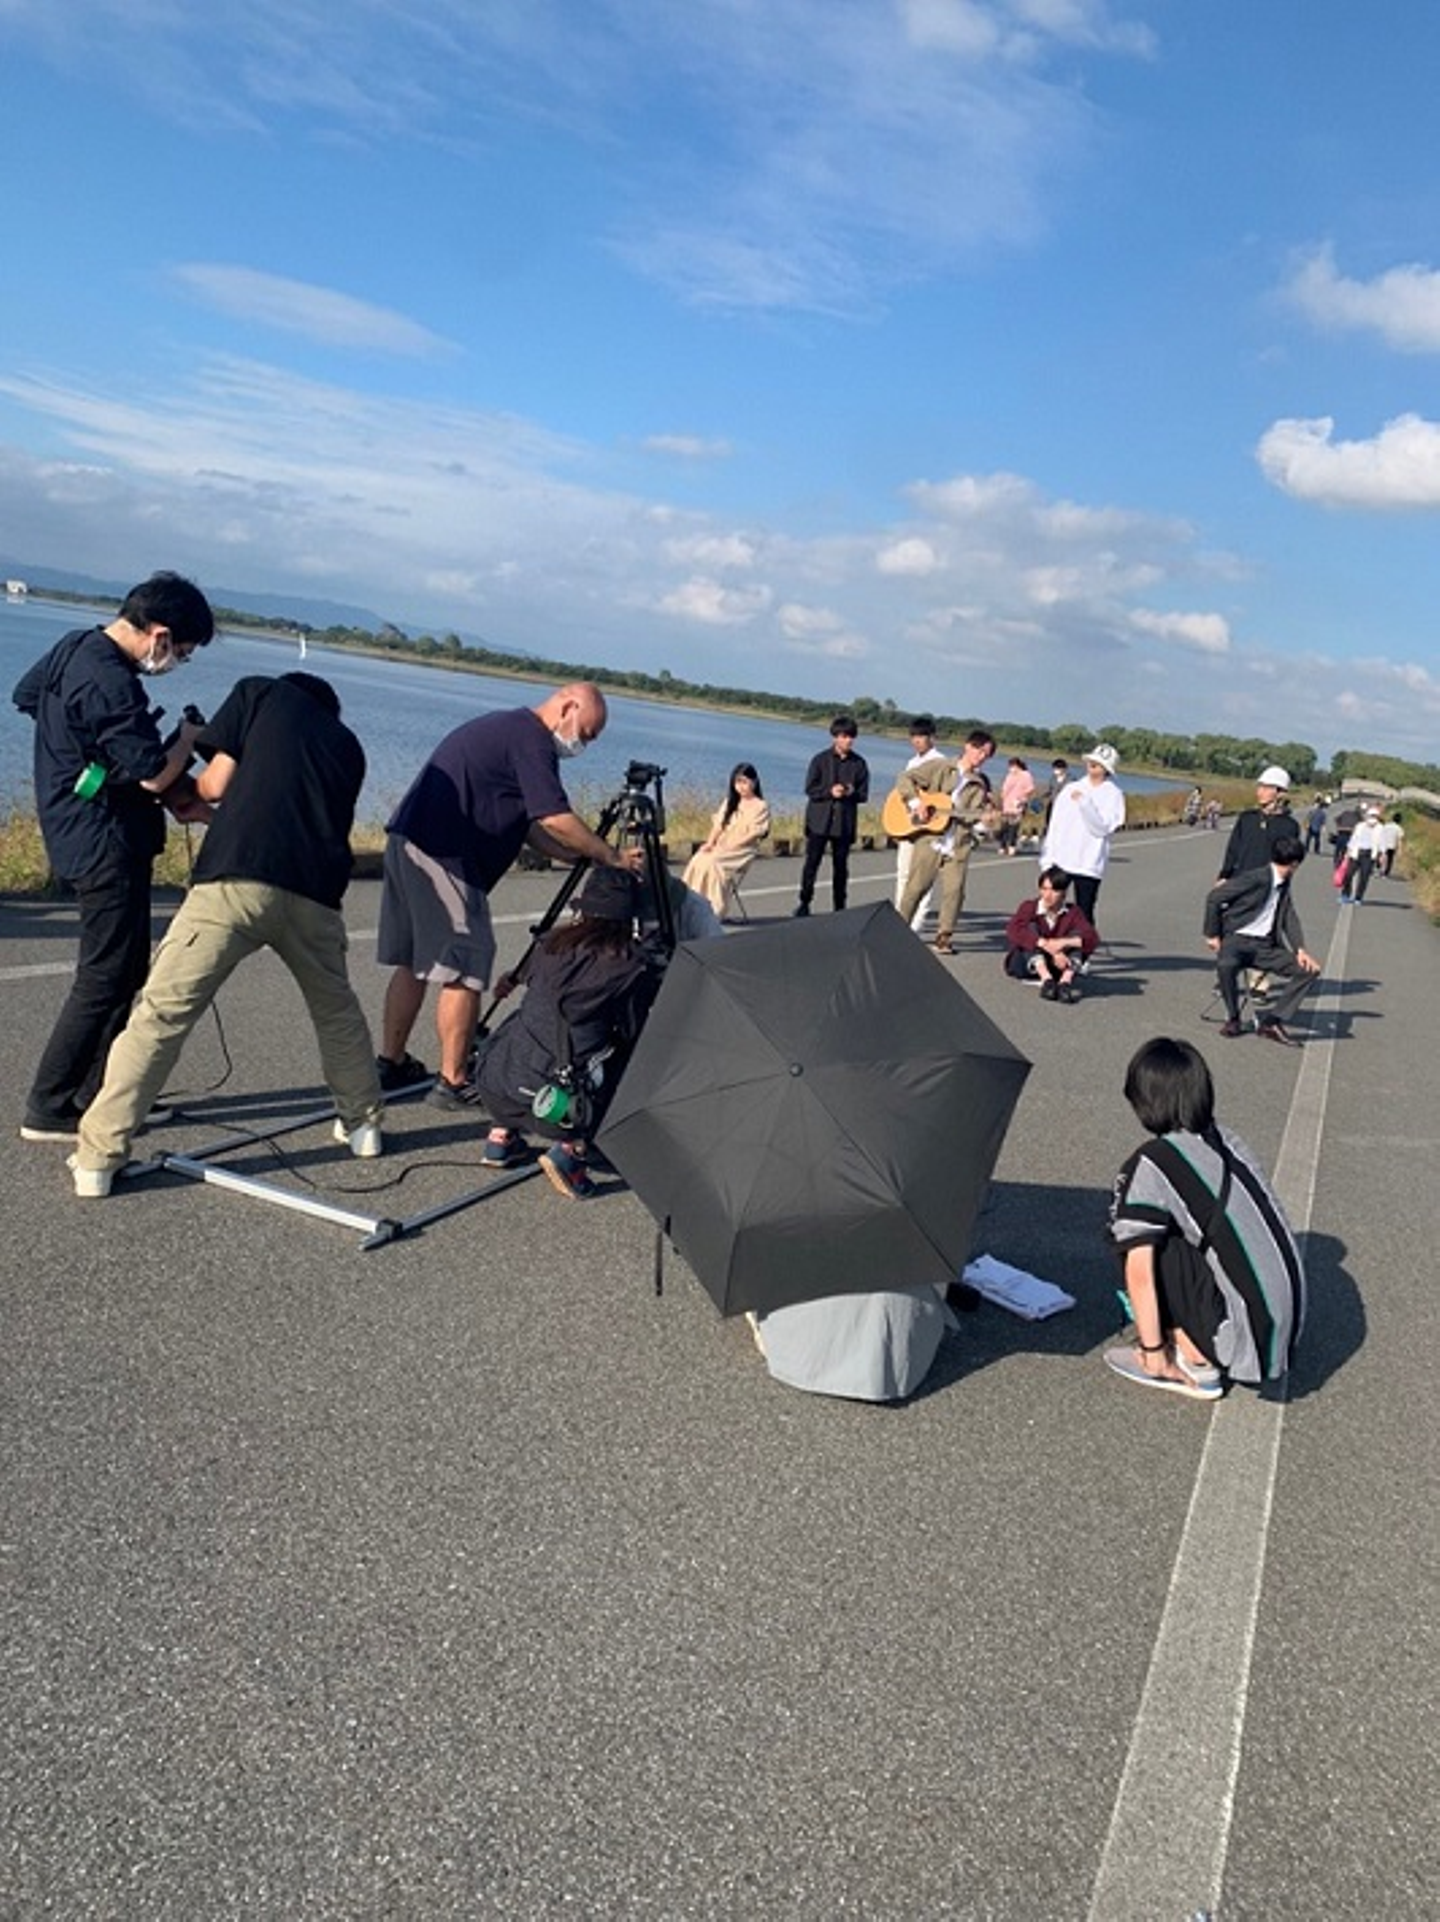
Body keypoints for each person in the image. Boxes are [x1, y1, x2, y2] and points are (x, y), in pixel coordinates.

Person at [70, 673, 384, 1196]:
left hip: (234, 885)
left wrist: (189, 795)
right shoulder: (349, 748)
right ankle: (364, 1125)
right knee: (337, 1012)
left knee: (162, 1016)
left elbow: (215, 785)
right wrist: (213, 818)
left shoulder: (261, 692)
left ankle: (98, 1158)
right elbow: (292, 824)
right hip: (315, 897)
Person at [12, 571, 215, 1142]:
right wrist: (187, 739)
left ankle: (104, 1094)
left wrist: (80, 751)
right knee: (105, 976)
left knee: (125, 972)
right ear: (159, 634)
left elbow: (26, 696)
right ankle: (51, 1105)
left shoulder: (76, 645)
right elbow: (153, 776)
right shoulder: (112, 682)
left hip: (80, 828)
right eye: (182, 651)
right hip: (105, 842)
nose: (176, 662)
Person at [376, 682, 642, 1106]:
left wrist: (575, 856)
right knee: (464, 967)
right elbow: (554, 816)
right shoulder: (531, 739)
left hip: (411, 841)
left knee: (414, 962)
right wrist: (610, 855)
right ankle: (453, 1081)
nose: (583, 745)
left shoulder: (510, 730)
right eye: (586, 734)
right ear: (568, 706)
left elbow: (529, 825)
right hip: (445, 855)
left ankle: (390, 1063)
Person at [1104, 1036, 1306, 1399]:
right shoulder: (1227, 1140)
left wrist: (1152, 1350)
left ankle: (1190, 1359)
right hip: (1286, 1327)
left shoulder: (1152, 1161)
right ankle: (1201, 1340)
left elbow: (1139, 1272)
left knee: (1132, 1235)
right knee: (1173, 1225)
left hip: (1238, 1340)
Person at [473, 867, 661, 1199]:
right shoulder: (630, 966)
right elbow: (634, 1033)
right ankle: (570, 1151)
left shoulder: (550, 944)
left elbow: (524, 981)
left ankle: (500, 1139)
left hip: (495, 1082)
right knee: (623, 1059)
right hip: (557, 1108)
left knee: (526, 1023)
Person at [1203, 832, 1320, 1047]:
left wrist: (1300, 949)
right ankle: (1233, 1018)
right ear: (1295, 864)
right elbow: (1214, 897)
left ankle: (1272, 1023)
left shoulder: (1285, 881)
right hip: (1236, 940)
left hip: (1265, 947)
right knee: (1226, 965)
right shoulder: (1256, 877)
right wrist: (1212, 934)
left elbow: (1288, 915)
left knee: (1308, 971)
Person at [894, 730, 997, 955]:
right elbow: (905, 779)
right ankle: (897, 929)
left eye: (986, 755)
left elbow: (976, 819)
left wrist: (986, 823)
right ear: (968, 746)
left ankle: (944, 936)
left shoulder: (980, 784)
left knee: (955, 890)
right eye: (979, 751)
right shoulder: (941, 767)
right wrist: (916, 803)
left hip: (958, 842)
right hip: (931, 838)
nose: (981, 757)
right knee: (916, 887)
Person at [1039, 743, 1125, 929]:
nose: (1093, 765)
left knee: (1084, 911)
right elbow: (1055, 825)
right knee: (1048, 905)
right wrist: (1047, 857)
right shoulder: (1071, 788)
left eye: (1099, 764)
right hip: (1061, 859)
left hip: (1089, 862)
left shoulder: (1113, 794)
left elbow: (1101, 828)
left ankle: (1083, 945)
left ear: (1107, 769)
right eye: (1091, 761)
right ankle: (1047, 942)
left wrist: (1085, 804)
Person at [794, 716, 869, 917]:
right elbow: (810, 789)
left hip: (844, 824)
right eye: (844, 736)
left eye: (851, 737)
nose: (848, 741)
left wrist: (849, 792)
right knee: (812, 863)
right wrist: (829, 791)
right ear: (835, 737)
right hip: (819, 821)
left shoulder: (859, 764)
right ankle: (804, 901)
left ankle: (839, 907)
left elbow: (863, 795)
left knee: (841, 867)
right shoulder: (820, 760)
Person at [681, 763, 770, 918]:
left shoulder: (760, 806)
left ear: (754, 782)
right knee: (699, 859)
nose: (741, 787)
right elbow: (718, 826)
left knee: (713, 863)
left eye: (745, 782)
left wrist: (731, 845)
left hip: (742, 849)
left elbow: (753, 834)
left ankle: (714, 909)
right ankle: (690, 902)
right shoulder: (730, 802)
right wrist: (710, 843)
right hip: (722, 844)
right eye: (737, 782)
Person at [1002, 866, 1097, 1002]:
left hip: (1058, 966)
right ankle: (1047, 980)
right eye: (1044, 889)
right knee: (1030, 929)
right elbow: (1013, 930)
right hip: (1027, 964)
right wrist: (1045, 944)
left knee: (1078, 936)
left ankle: (1065, 982)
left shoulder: (1073, 912)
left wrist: (1062, 943)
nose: (1047, 895)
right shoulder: (1030, 907)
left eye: (1054, 890)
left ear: (1063, 893)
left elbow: (1092, 938)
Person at [893, 715, 947, 931]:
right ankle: (899, 917)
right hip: (909, 825)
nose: (916, 741)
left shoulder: (941, 762)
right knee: (903, 872)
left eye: (921, 736)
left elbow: (942, 797)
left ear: (931, 738)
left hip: (929, 828)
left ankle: (916, 925)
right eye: (913, 736)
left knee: (923, 878)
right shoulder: (912, 762)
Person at [1217, 765, 1296, 880]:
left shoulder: (1290, 826)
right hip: (1240, 880)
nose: (1260, 792)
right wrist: (1224, 876)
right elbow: (1232, 850)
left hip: (1268, 884)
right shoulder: (1246, 818)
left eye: (1266, 788)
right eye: (1259, 787)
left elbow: (1287, 863)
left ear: (1280, 793)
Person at [1341, 806, 1383, 904]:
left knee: (1364, 877)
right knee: (1348, 874)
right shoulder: (1360, 826)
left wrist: (1381, 855)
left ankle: (1358, 897)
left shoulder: (1380, 828)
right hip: (1356, 853)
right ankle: (1346, 894)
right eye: (1371, 816)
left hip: (1369, 855)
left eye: (1375, 816)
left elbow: (1382, 843)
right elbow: (1353, 839)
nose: (1373, 818)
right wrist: (1348, 852)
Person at [997, 756, 1036, 856]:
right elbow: (1004, 789)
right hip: (1007, 803)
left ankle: (1012, 846)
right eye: (1010, 766)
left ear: (1018, 766)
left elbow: (1030, 789)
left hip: (1017, 804)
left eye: (1013, 766)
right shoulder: (1009, 775)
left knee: (1013, 827)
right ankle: (1002, 846)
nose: (1011, 768)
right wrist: (1001, 799)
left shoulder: (1026, 775)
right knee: (1005, 826)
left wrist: (1022, 799)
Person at [1379, 811, 1404, 877]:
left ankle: (1381, 869)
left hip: (1384, 844)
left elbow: (1381, 834)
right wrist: (1400, 849)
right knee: (1390, 859)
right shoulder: (1399, 828)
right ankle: (1386, 872)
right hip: (1392, 846)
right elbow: (1399, 840)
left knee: (1383, 856)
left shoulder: (1386, 825)